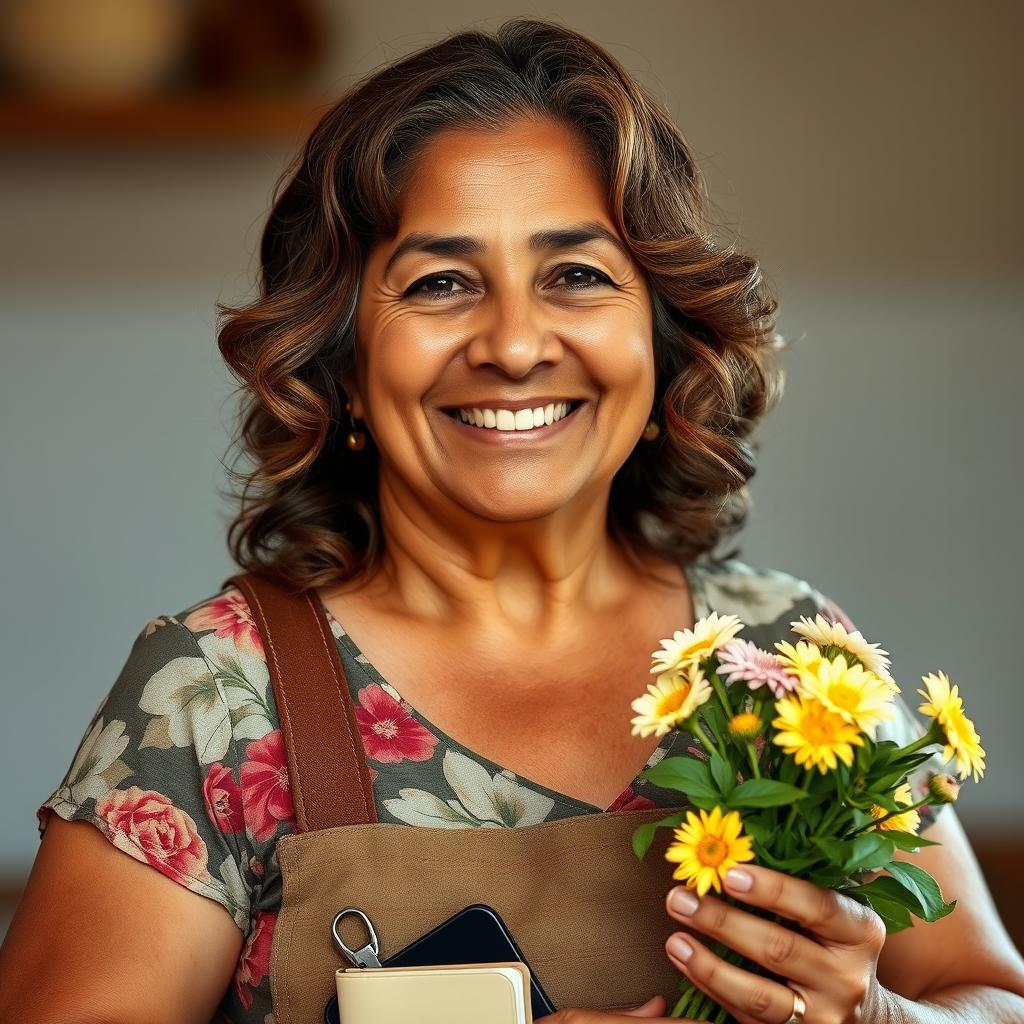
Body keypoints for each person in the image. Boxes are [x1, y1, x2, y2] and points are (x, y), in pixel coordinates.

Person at [2, 17, 1022, 1024]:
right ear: (343, 362)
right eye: (441, 282)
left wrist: (877, 1017)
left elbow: (991, 1000)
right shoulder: (215, 698)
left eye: (575, 274)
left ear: (660, 336)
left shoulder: (793, 670)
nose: (515, 344)